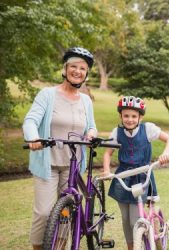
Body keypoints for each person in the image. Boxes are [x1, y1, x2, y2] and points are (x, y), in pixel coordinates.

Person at [22, 47, 97, 250]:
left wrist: (91, 134)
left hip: (73, 166)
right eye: (73, 66)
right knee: (45, 213)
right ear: (65, 69)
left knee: (66, 214)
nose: (77, 71)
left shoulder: (86, 101)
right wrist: (33, 137)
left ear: (86, 73)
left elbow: (91, 126)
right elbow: (30, 120)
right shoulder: (48, 95)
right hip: (49, 163)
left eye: (82, 68)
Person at [102, 95, 169, 250]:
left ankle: (143, 239)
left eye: (134, 116)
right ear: (121, 116)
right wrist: (107, 170)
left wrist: (166, 153)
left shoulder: (148, 129)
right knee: (125, 218)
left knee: (135, 219)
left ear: (140, 117)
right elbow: (107, 153)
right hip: (123, 176)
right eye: (126, 115)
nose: (130, 119)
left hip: (142, 175)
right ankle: (132, 247)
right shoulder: (117, 132)